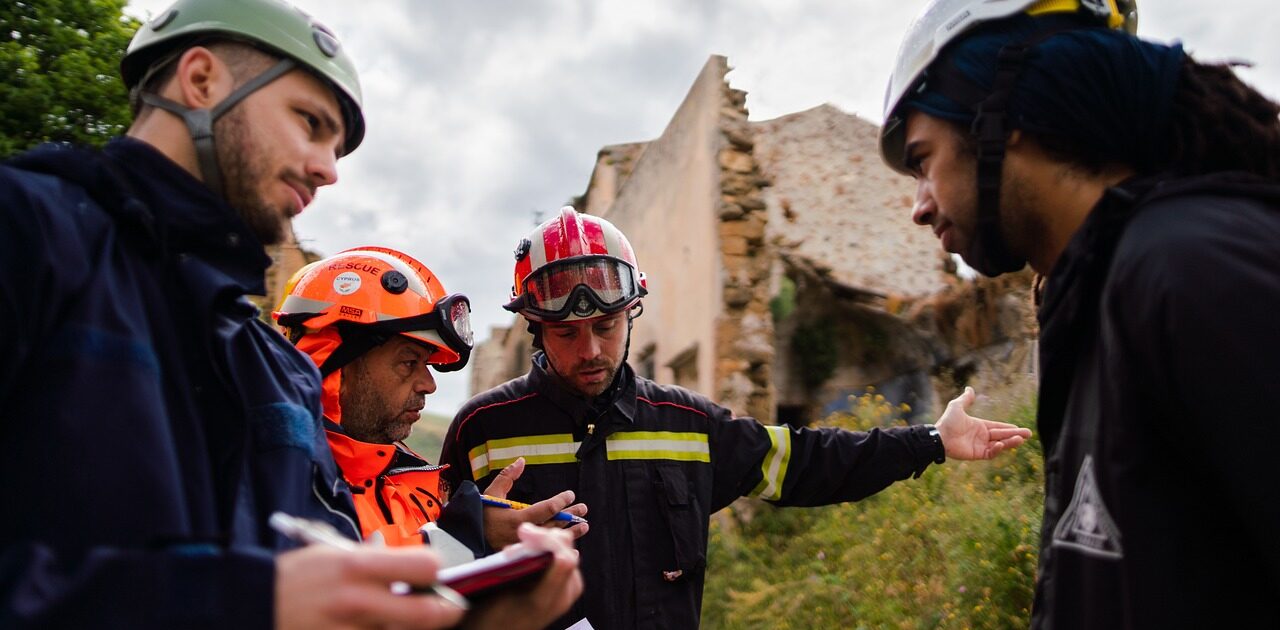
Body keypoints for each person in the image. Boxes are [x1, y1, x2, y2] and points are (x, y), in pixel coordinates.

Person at [0, 0, 579, 627]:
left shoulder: (277, 372)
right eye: (309, 122)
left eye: (337, 147)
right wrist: (243, 602)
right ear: (201, 80)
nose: (328, 171)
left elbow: (316, 594)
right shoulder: (26, 234)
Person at [879, 0, 1280, 626]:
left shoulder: (1190, 269)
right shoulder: (1101, 296)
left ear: (1002, 121)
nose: (919, 207)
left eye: (924, 161)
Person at [439, 206, 1033, 629]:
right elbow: (411, 545)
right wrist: (473, 524)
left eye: (606, 326)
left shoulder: (688, 424)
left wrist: (929, 440)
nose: (590, 350)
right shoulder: (481, 429)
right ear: (535, 327)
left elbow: (809, 461)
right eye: (567, 333)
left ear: (632, 313)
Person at [274, 246, 588, 551]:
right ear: (333, 368)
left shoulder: (416, 489)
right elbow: (345, 586)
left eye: (426, 365)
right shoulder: (274, 479)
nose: (429, 384)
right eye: (409, 363)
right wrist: (471, 535)